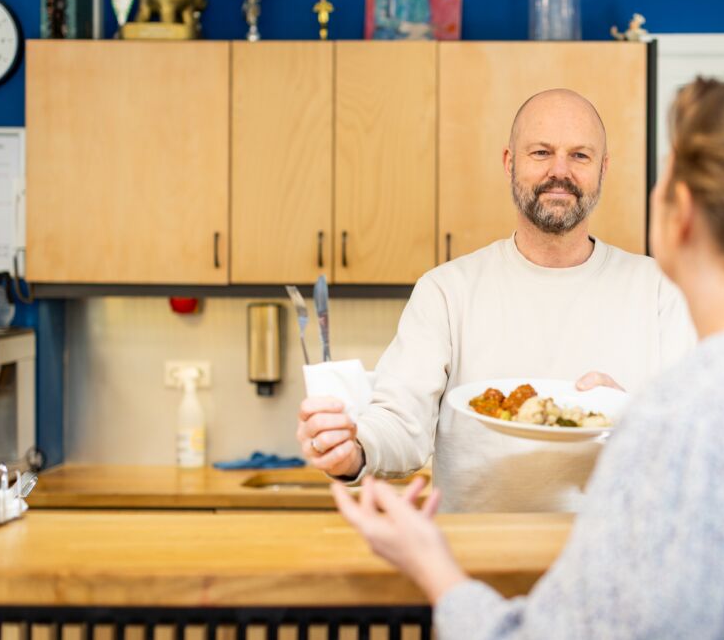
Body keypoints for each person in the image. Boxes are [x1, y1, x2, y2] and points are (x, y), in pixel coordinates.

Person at [331, 61, 724, 638]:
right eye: (542, 151)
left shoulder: (678, 418)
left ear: (679, 213)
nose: (562, 168)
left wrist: (431, 563)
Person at [298, 88, 697, 513]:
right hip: (475, 558)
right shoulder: (447, 291)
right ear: (510, 162)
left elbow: (694, 442)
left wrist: (631, 418)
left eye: (580, 156)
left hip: (615, 556)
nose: (559, 171)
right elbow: (400, 424)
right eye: (541, 152)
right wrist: (353, 449)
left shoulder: (661, 291)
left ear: (603, 168)